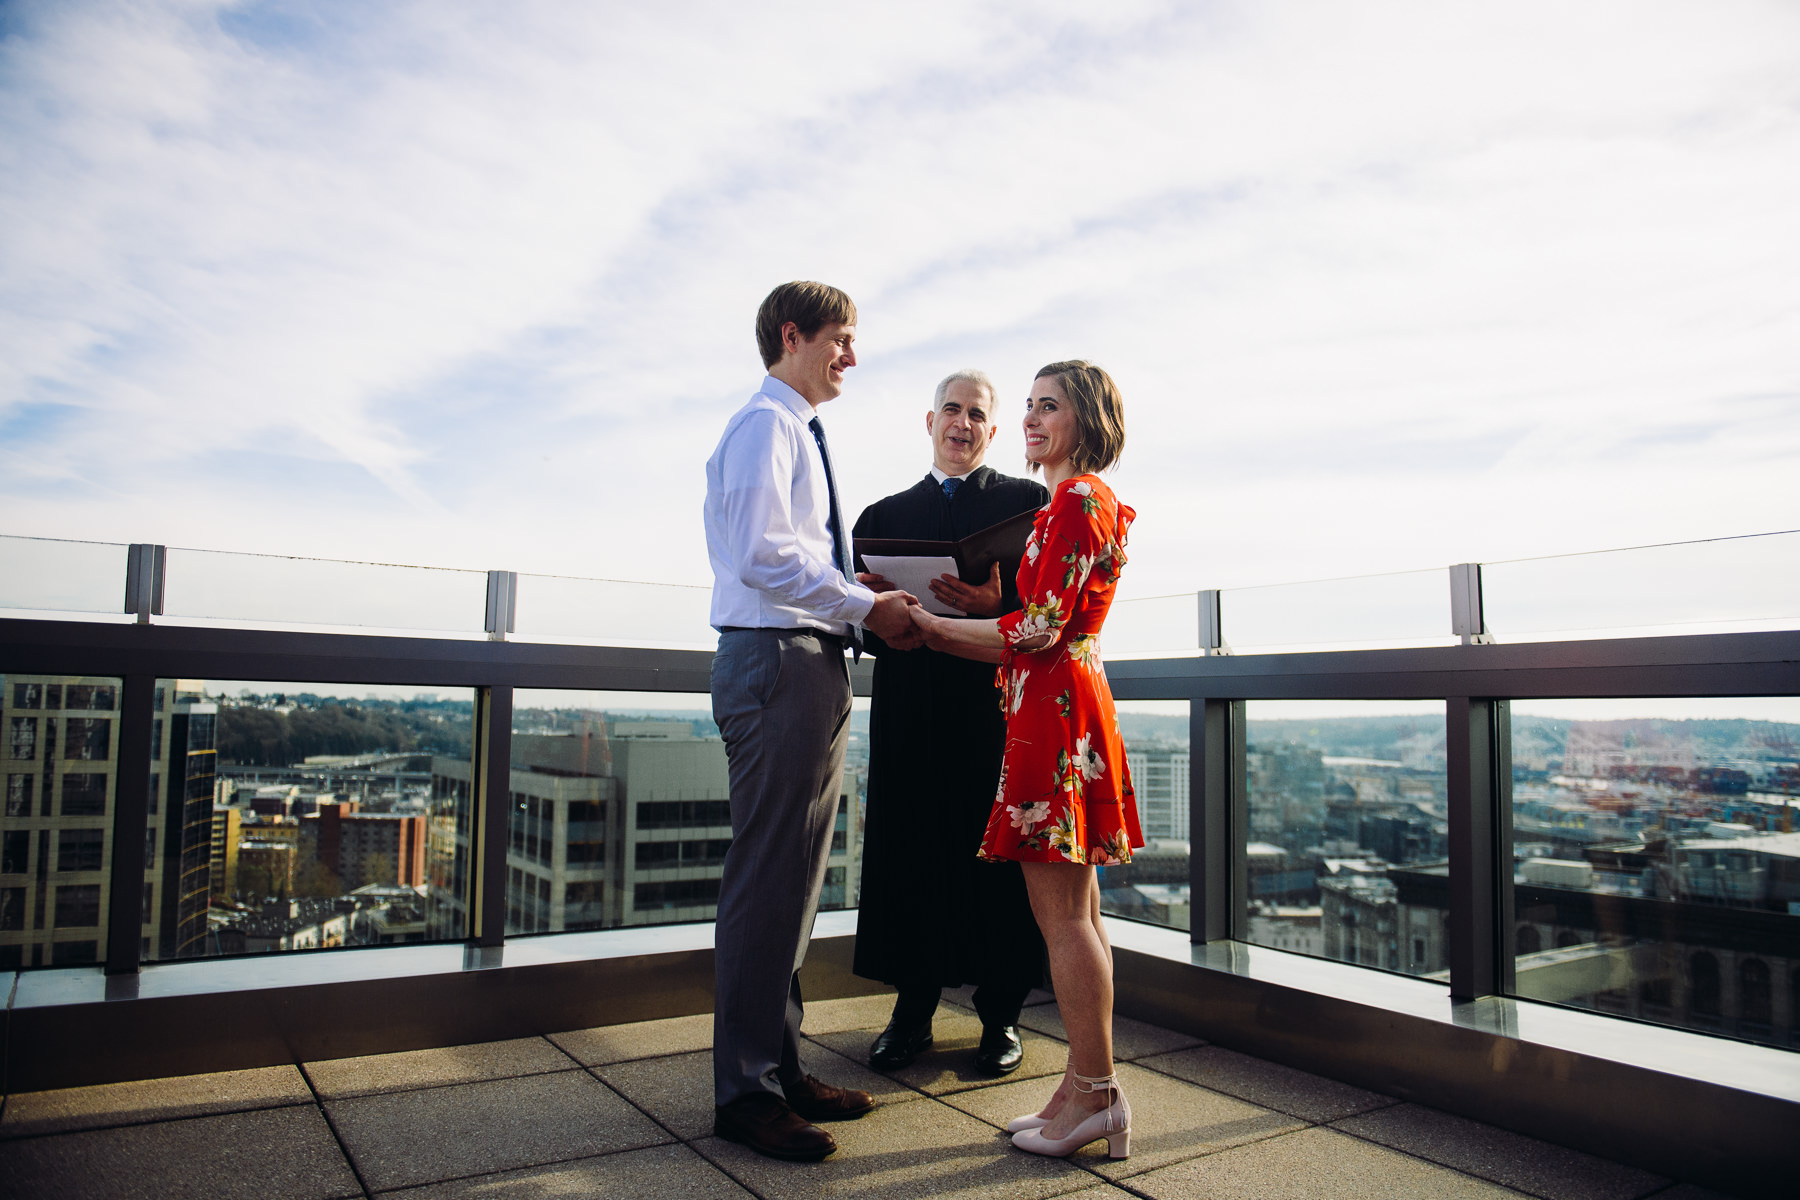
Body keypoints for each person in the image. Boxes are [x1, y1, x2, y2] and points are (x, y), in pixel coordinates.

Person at [703, 281, 925, 1162]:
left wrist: (850, 593)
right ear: (791, 335)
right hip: (776, 664)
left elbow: (786, 552)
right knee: (767, 880)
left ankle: (778, 1070)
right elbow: (762, 557)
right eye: (840, 338)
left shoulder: (792, 429)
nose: (852, 356)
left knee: (793, 878)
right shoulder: (767, 425)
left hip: (805, 659)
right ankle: (746, 1094)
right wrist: (862, 606)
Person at [907, 359, 1141, 1160]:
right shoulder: (1064, 504)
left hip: (1057, 717)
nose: (1035, 419)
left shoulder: (1076, 499)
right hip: (1057, 709)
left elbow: (1039, 628)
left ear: (1087, 421)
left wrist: (933, 630)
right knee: (1080, 916)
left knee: (1063, 920)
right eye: (1033, 405)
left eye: (1052, 408)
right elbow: (1042, 622)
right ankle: (1082, 1088)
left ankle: (1100, 1097)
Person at [850, 370, 1049, 1076]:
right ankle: (912, 1013)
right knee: (912, 851)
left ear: (993, 431)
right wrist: (872, 608)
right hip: (910, 709)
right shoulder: (879, 517)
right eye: (951, 411)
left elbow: (1042, 614)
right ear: (927, 421)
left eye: (976, 415)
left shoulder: (1028, 504)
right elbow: (862, 631)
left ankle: (1001, 1019)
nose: (961, 424)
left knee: (994, 860)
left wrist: (1000, 600)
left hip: (992, 711)